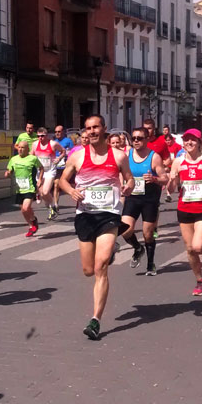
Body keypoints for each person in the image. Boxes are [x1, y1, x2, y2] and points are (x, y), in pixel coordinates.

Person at [58, 115, 134, 340]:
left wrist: (128, 187)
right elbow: (62, 180)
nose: (92, 131)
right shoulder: (77, 157)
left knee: (101, 267)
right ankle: (109, 251)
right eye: (88, 128)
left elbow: (129, 179)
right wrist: (70, 190)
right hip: (85, 215)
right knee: (88, 270)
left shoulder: (118, 156)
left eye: (96, 127)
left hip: (109, 214)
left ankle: (95, 320)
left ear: (104, 129)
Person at [167, 129, 202, 296]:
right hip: (184, 208)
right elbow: (170, 189)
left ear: (199, 142)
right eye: (186, 140)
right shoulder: (178, 161)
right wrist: (172, 179)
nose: (189, 143)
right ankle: (200, 280)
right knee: (190, 249)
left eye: (193, 140)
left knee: (198, 246)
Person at [121, 127, 168, 276]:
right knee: (125, 229)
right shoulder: (127, 156)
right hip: (132, 197)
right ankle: (137, 248)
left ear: (147, 140)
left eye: (139, 138)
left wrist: (155, 179)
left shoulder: (154, 157)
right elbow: (120, 174)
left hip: (149, 200)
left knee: (148, 234)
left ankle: (150, 264)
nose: (136, 141)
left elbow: (165, 178)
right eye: (133, 138)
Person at [6, 141, 44, 237]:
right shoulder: (13, 159)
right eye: (19, 147)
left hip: (30, 187)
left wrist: (40, 179)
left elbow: (41, 168)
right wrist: (8, 173)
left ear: (27, 149)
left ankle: (33, 220)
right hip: (19, 189)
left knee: (25, 208)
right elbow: (10, 170)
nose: (20, 149)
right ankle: (32, 225)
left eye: (23, 147)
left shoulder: (33, 158)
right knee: (23, 210)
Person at [31, 127, 66, 220]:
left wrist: (58, 158)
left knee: (46, 191)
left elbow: (63, 151)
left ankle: (53, 205)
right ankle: (51, 207)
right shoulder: (35, 144)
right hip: (40, 171)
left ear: (46, 136)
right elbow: (31, 155)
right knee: (43, 194)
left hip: (50, 170)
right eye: (38, 136)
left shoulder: (53, 143)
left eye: (42, 136)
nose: (40, 138)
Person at [52, 125, 74, 212]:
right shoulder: (54, 142)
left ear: (63, 132)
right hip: (57, 166)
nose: (57, 133)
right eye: (56, 132)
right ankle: (56, 205)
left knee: (71, 186)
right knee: (56, 184)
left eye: (59, 131)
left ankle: (79, 203)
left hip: (66, 166)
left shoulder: (68, 141)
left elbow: (72, 152)